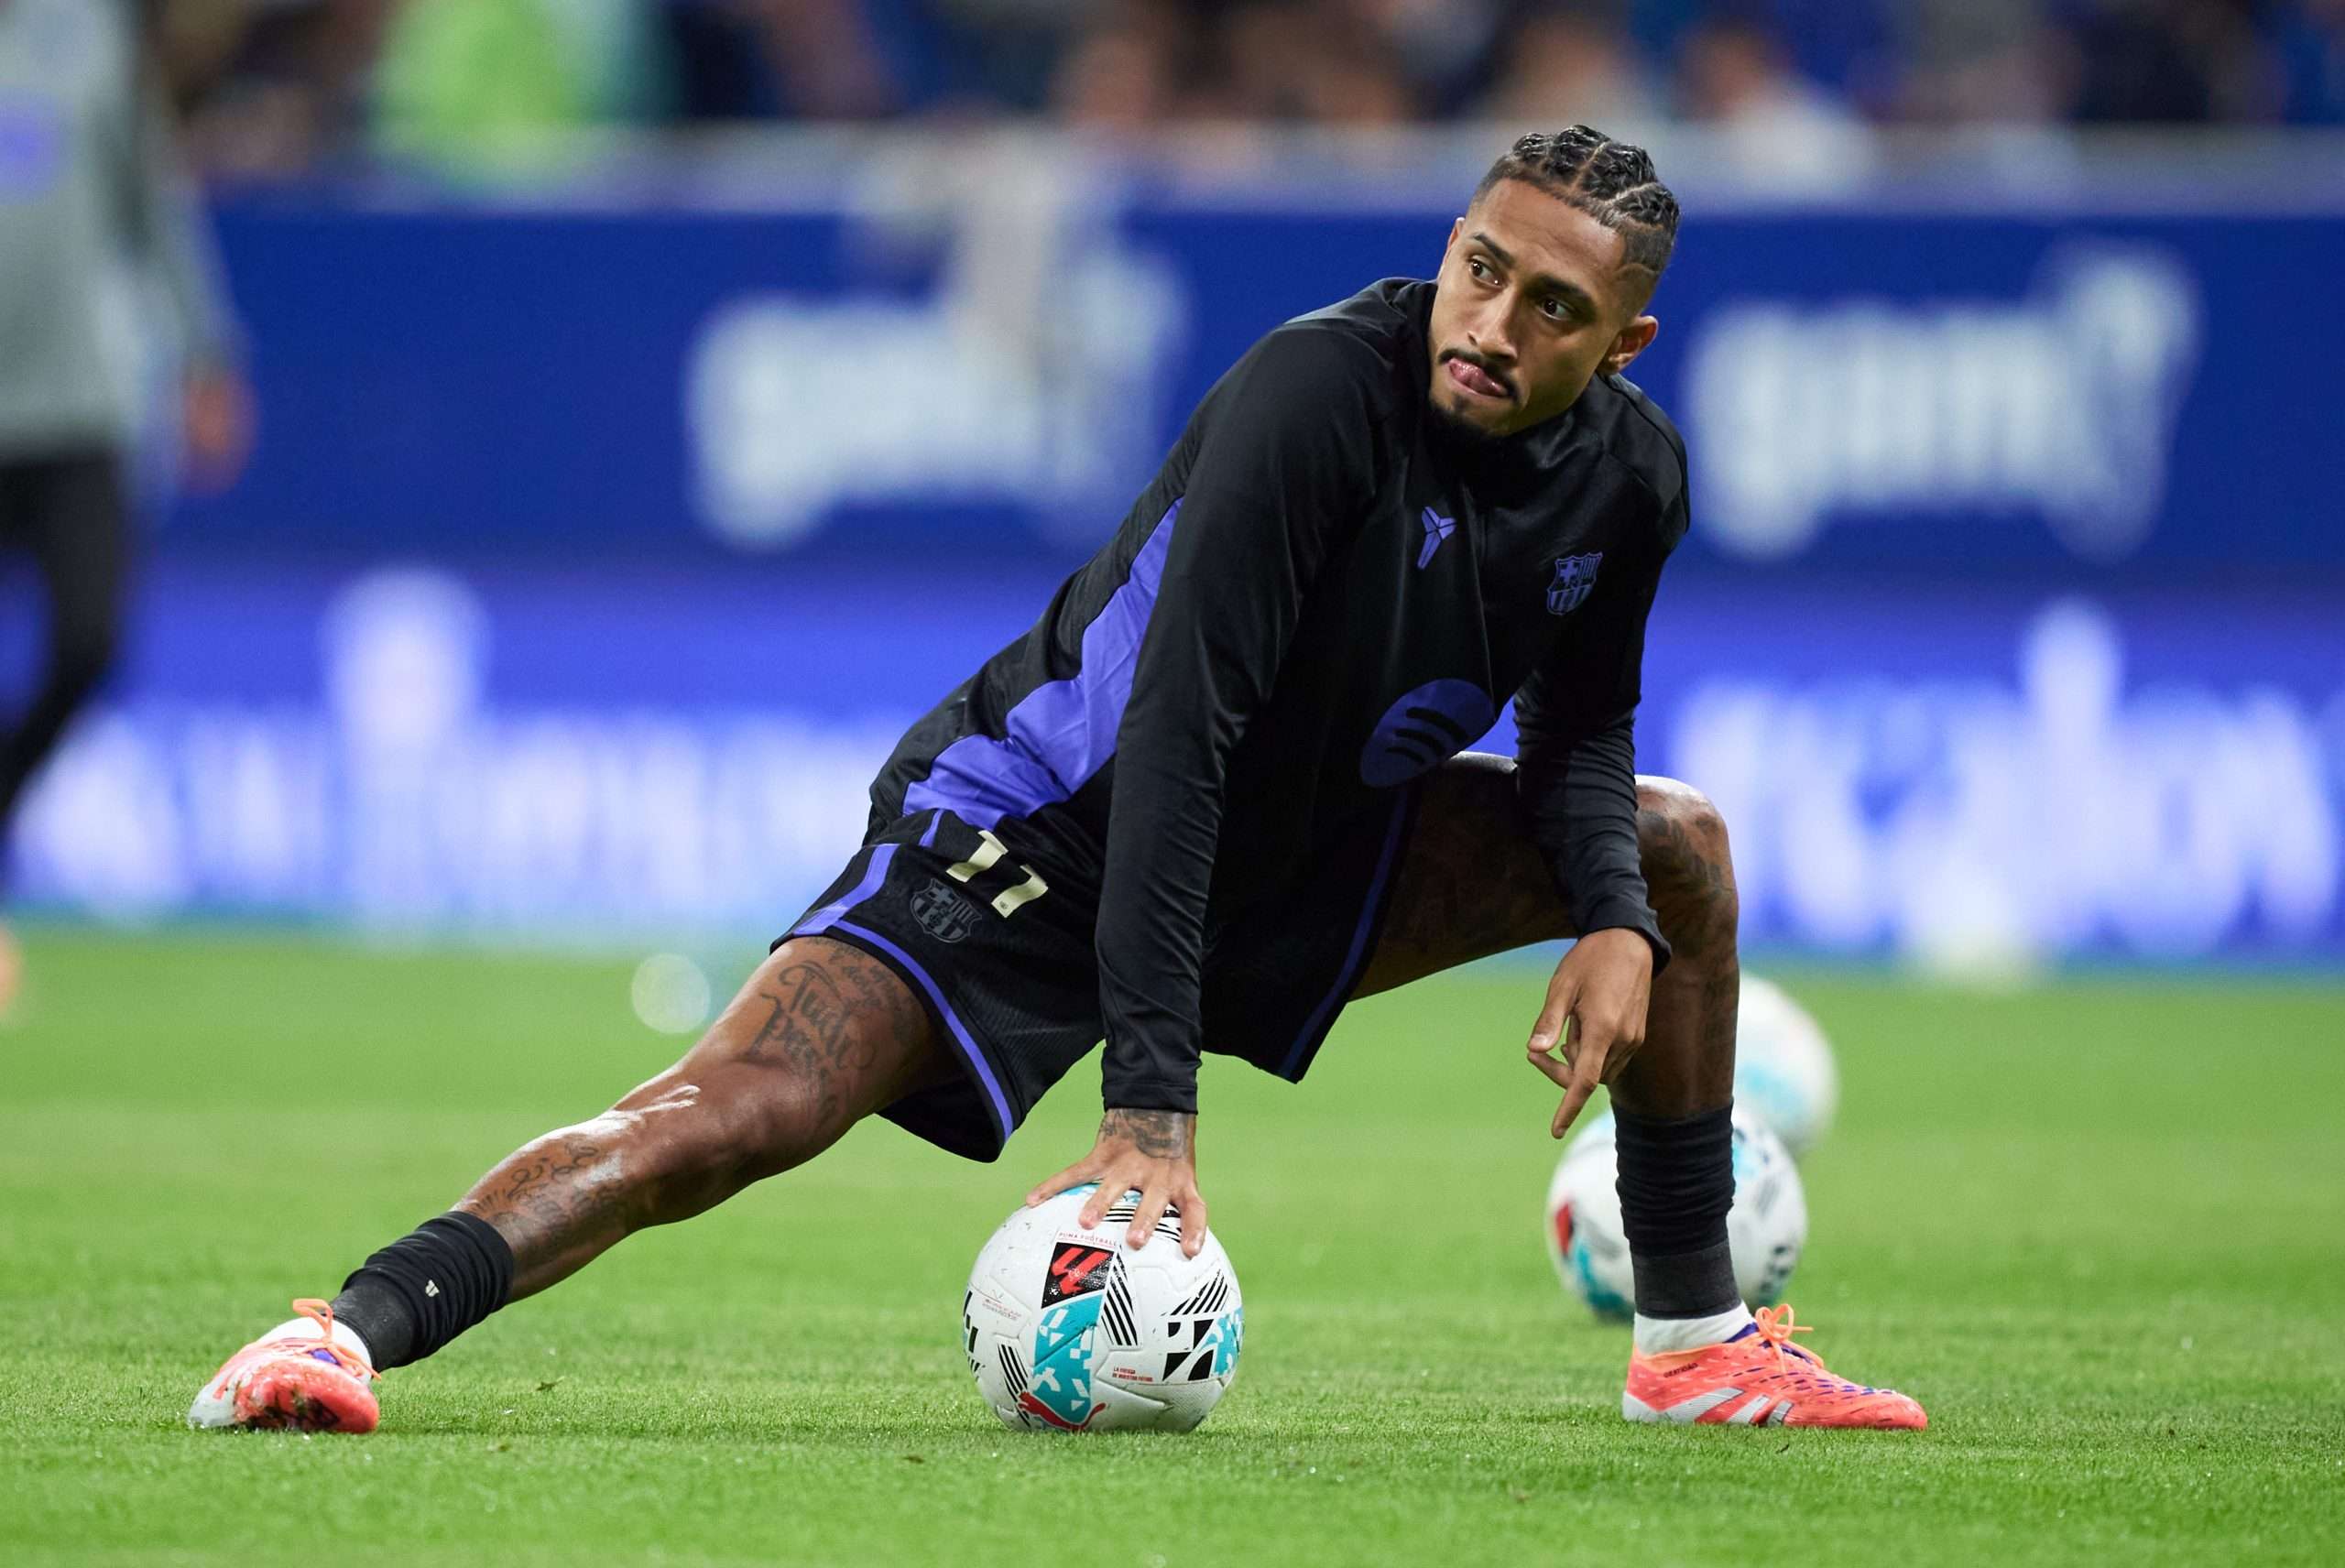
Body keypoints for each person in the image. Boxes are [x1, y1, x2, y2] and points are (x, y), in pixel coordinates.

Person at [191, 126, 1924, 1434]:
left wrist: (1615, 911)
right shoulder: (1317, 396)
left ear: (1620, 346)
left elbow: (1583, 734)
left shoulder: (1634, 481)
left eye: (1553, 307)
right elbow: (1177, 738)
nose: (1493, 322)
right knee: (746, 1112)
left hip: (1303, 851)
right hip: (1038, 826)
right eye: (1481, 267)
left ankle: (1696, 1347)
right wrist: (1150, 1116)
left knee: (1682, 849)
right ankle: (345, 1328)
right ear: (1451, 246)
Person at [0, 0, 252, 1014]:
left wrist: (205, 348)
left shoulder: (85, 31)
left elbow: (151, 198)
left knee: (91, 634)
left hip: (76, 404)